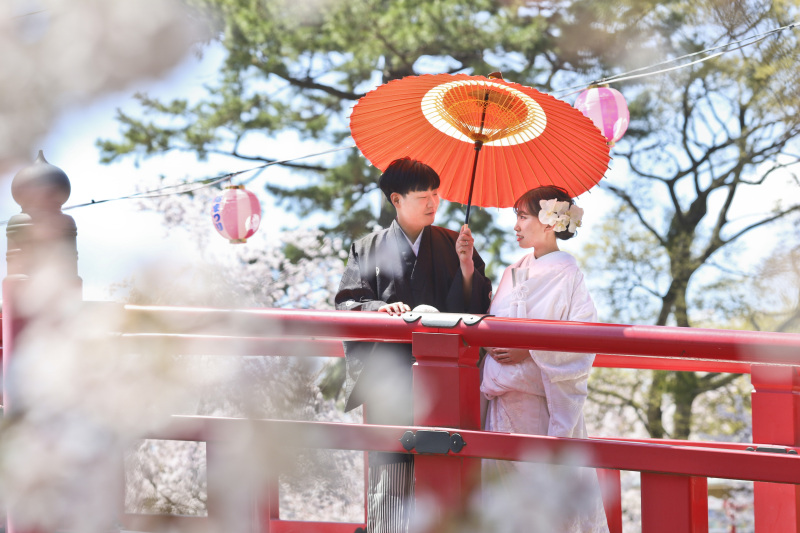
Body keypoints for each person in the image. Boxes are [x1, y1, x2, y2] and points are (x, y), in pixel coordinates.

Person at [336, 157, 492, 533]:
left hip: (446, 379)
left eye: (436, 194)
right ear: (396, 199)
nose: (433, 203)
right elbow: (347, 304)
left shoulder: (455, 244)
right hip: (390, 376)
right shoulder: (368, 247)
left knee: (448, 469)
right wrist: (378, 309)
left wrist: (466, 266)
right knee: (391, 473)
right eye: (423, 196)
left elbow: (478, 308)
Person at [480, 185, 609, 533]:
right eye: (516, 217)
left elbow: (584, 337)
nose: (516, 225)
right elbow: (491, 321)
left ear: (550, 222)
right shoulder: (513, 270)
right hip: (501, 397)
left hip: (538, 401)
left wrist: (530, 349)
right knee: (501, 502)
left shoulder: (567, 272)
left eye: (523, 217)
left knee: (540, 505)